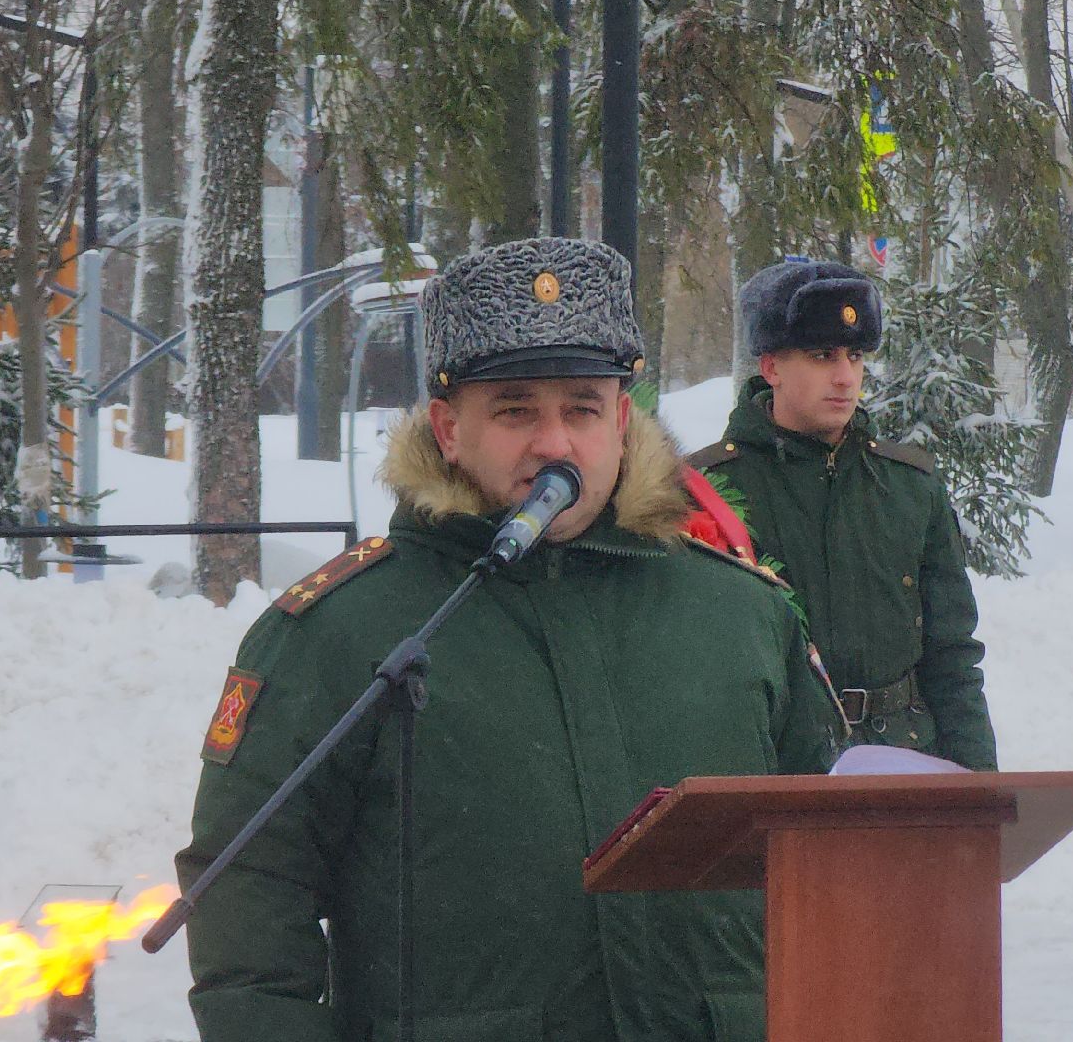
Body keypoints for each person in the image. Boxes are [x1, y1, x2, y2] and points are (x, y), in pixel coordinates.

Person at [176, 237, 844, 1042]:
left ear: (623, 422)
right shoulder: (344, 630)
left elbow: (828, 867)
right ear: (449, 428)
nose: (554, 443)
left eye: (582, 409)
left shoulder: (739, 614)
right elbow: (250, 894)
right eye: (516, 409)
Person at [689, 259, 997, 770]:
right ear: (771, 367)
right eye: (821, 355)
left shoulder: (909, 485)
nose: (844, 377)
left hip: (905, 757)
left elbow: (952, 656)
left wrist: (980, 787)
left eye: (855, 356)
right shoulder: (708, 489)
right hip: (775, 767)